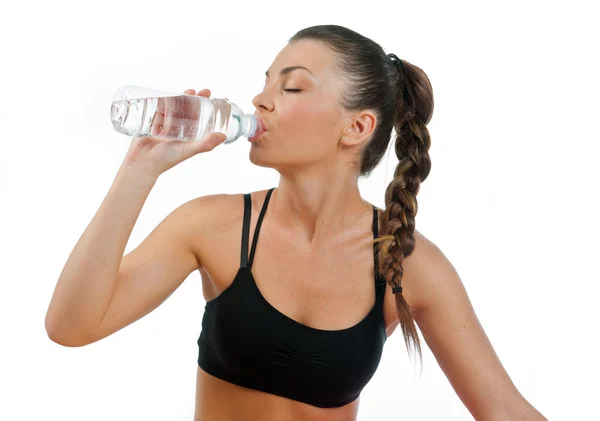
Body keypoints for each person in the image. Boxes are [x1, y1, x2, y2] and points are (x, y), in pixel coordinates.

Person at [45, 24, 547, 421]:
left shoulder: (404, 260)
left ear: (357, 127)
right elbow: (71, 327)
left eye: (291, 86)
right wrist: (139, 169)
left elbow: (504, 411)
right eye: (265, 82)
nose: (261, 99)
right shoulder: (211, 225)